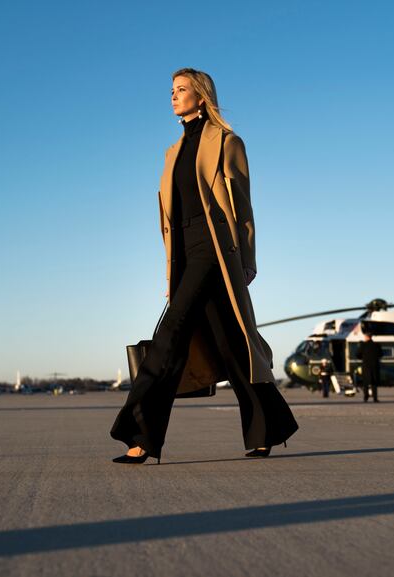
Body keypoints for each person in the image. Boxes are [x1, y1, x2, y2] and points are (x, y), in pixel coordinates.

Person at [110, 68, 298, 463]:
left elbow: (243, 208)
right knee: (231, 342)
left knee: (170, 335)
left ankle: (140, 434)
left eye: (181, 89)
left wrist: (247, 260)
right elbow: (172, 218)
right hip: (184, 252)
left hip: (215, 250)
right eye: (171, 90)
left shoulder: (227, 142)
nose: (173, 96)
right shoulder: (172, 152)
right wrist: (172, 274)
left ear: (201, 95)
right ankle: (268, 427)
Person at [357, 330, 382, 402]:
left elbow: (358, 354)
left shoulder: (363, 345)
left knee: (366, 383)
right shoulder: (376, 345)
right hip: (375, 366)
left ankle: (366, 397)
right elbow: (381, 354)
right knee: (374, 382)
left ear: (367, 337)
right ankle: (375, 398)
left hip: (366, 366)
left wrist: (363, 358)